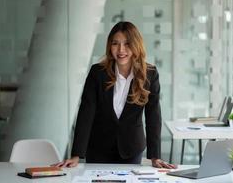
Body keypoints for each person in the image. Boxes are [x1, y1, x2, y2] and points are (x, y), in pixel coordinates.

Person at [55, 21, 176, 169]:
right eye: (115, 43)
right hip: (98, 149)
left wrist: (155, 156)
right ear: (109, 46)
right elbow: (86, 113)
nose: (121, 50)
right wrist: (76, 155)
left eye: (127, 44)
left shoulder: (149, 74)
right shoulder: (97, 73)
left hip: (130, 149)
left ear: (136, 45)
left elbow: (153, 116)